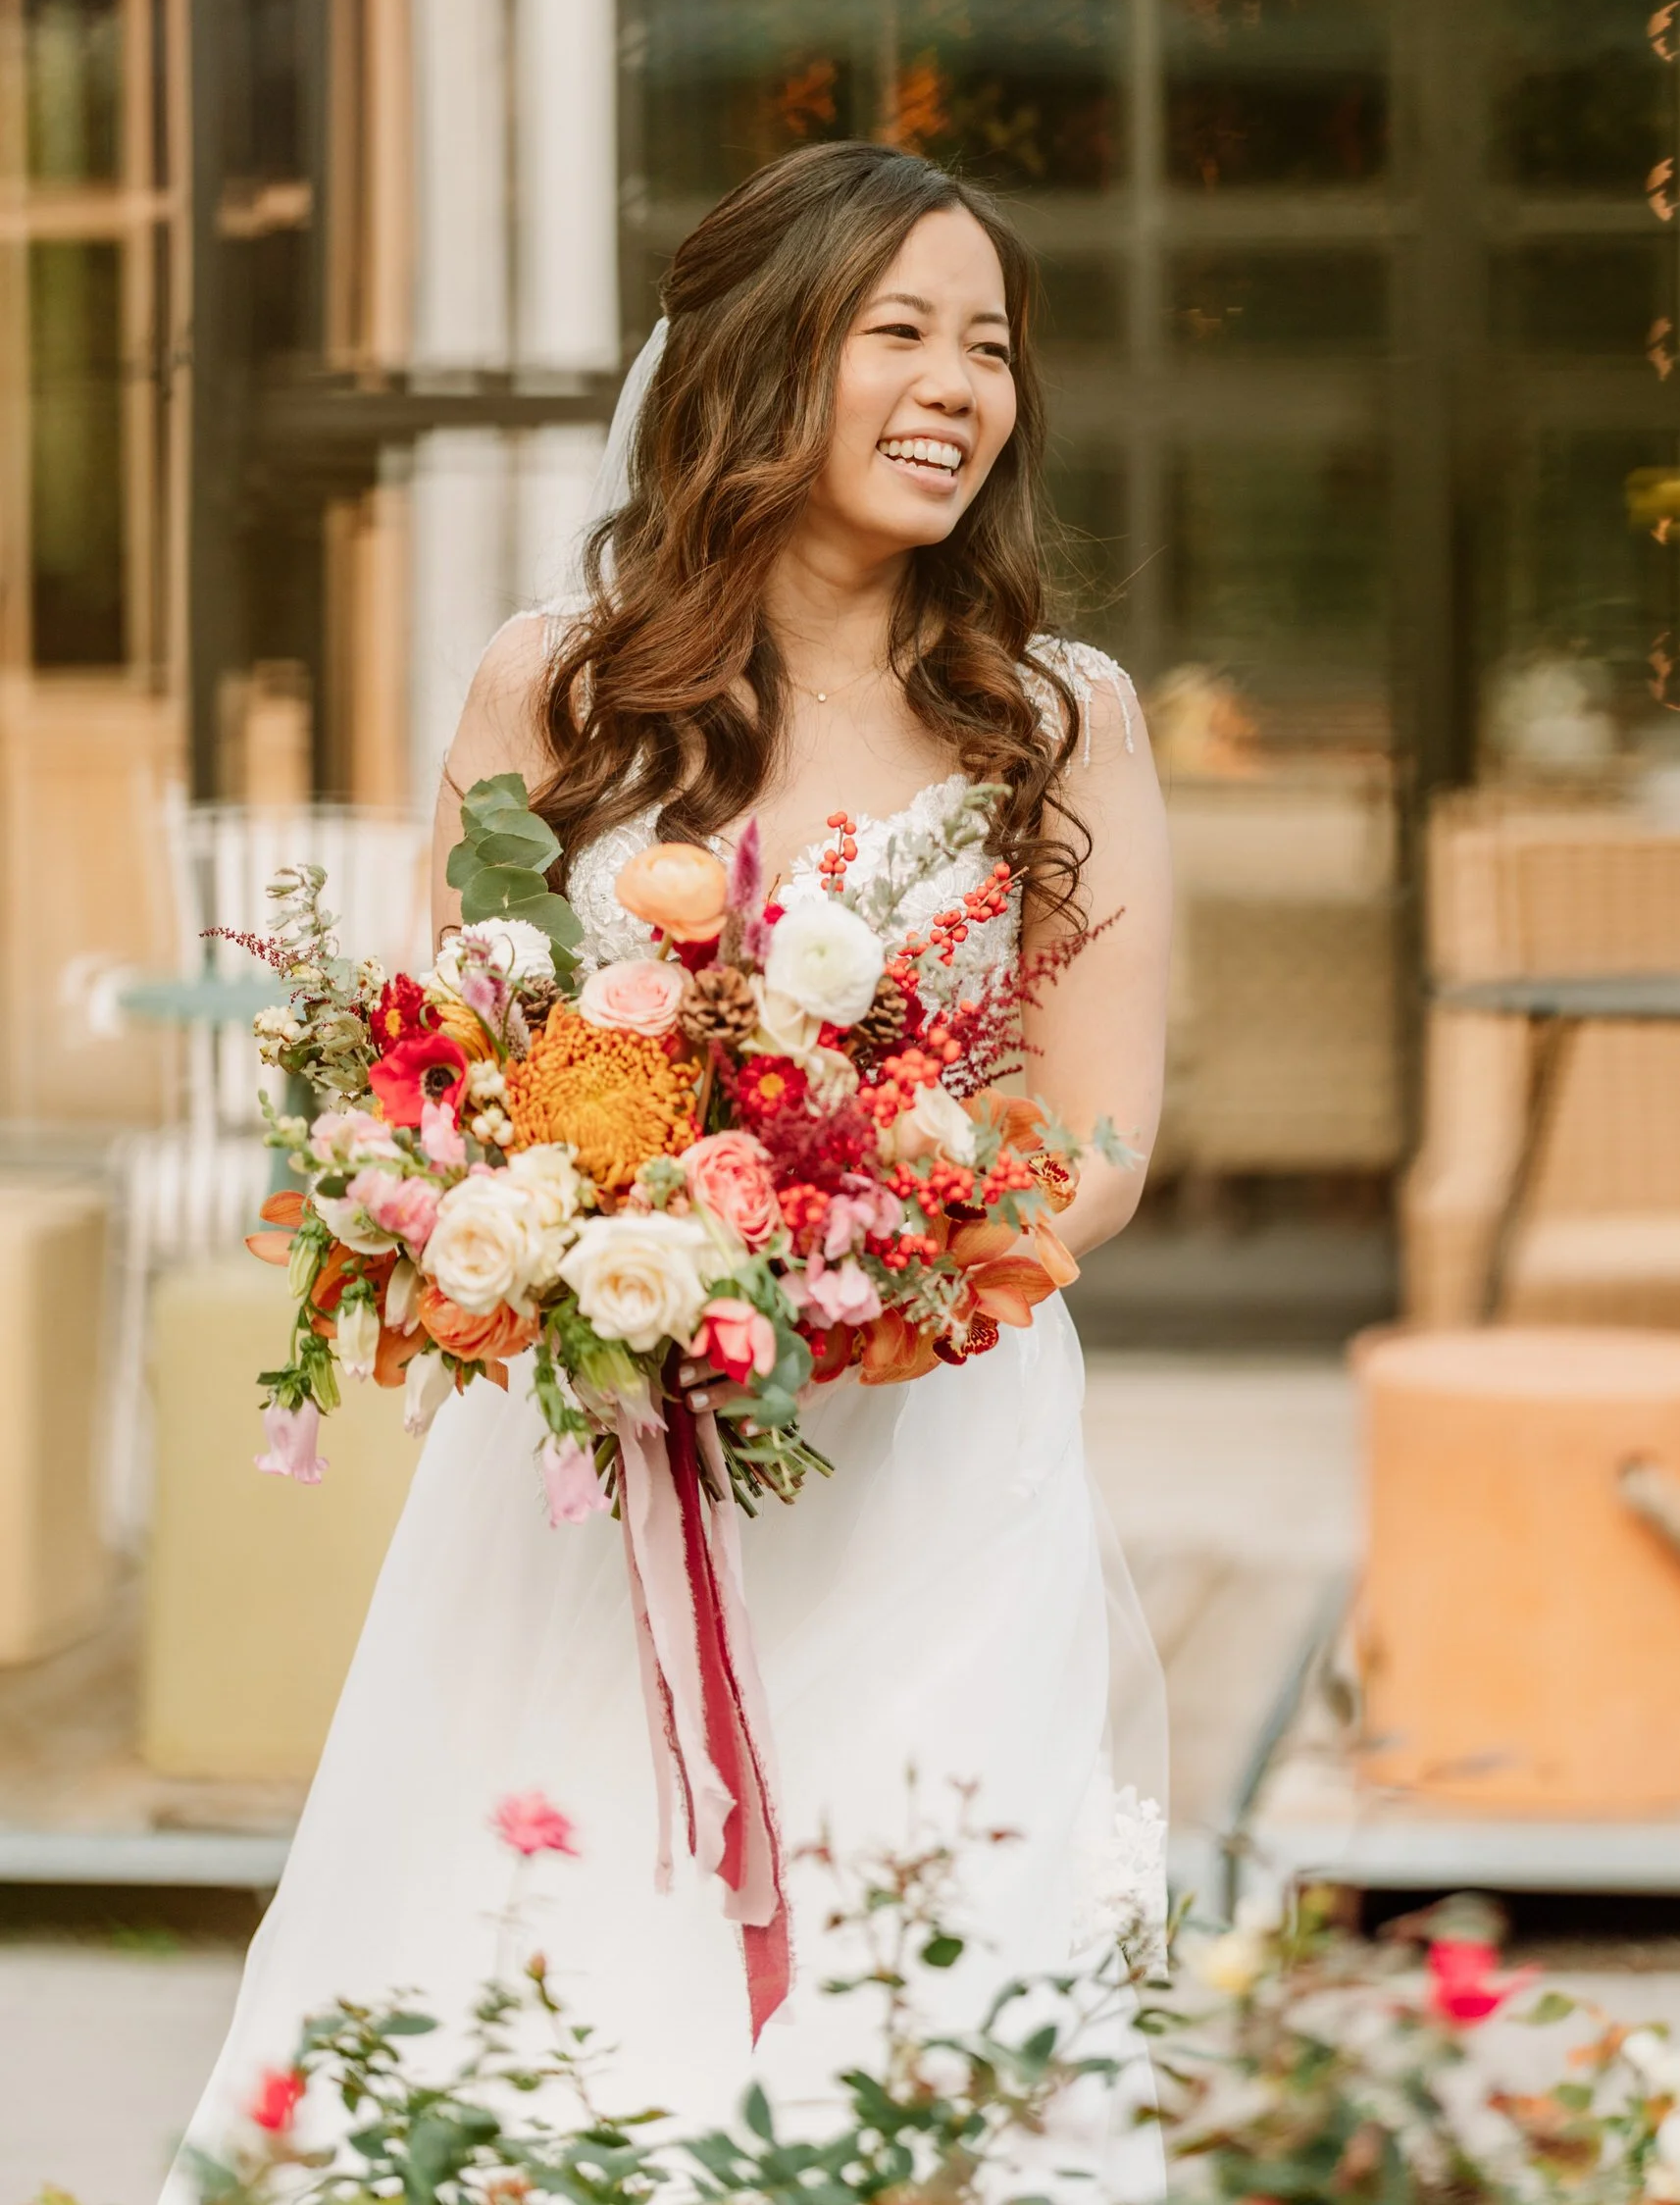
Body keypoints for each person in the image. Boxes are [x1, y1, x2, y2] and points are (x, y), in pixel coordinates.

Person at [168, 142, 1172, 2192]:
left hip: (938, 1467)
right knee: (548, 1968)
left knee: (927, 1998)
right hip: (588, 1477)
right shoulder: (554, 688)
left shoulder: (1060, 723)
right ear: (757, 361)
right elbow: (447, 1074)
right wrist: (562, 1257)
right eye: (898, 329)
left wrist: (865, 1274)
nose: (956, 384)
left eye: (990, 345)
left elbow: (1109, 1133)